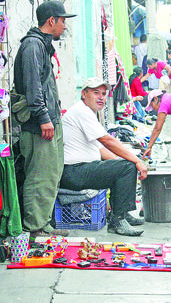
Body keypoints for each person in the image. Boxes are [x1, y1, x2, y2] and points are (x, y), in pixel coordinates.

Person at [13, 0, 76, 239]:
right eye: (63, 21)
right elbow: (33, 87)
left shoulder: (41, 45)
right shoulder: (32, 45)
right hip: (40, 124)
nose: (64, 27)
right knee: (40, 176)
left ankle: (43, 224)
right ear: (52, 21)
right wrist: (43, 118)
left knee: (50, 173)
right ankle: (34, 228)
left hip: (49, 120)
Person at [60, 77, 147, 236]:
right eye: (96, 93)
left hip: (81, 169)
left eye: (104, 94)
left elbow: (101, 149)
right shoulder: (81, 111)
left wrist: (125, 165)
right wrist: (136, 162)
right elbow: (107, 141)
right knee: (126, 166)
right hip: (73, 172)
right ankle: (118, 220)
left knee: (124, 166)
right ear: (84, 94)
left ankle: (120, 214)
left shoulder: (88, 112)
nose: (101, 97)